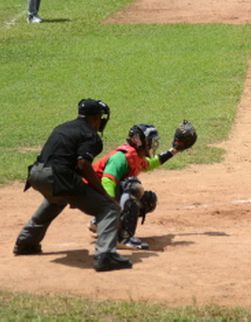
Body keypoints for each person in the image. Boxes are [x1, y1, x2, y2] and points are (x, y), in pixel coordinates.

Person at [14, 99, 133, 272]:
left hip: (36, 174)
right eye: (100, 117)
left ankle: (26, 242)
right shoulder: (91, 136)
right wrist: (102, 193)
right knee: (109, 208)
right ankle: (105, 255)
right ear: (96, 118)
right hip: (56, 176)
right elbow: (83, 164)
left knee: (57, 199)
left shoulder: (62, 127)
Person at [90, 124, 184, 250]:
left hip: (100, 197)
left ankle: (100, 223)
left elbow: (150, 164)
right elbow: (107, 181)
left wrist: (174, 150)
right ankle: (122, 238)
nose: (153, 144)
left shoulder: (136, 155)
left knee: (148, 200)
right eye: (150, 141)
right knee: (132, 187)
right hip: (92, 196)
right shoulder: (121, 157)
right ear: (140, 141)